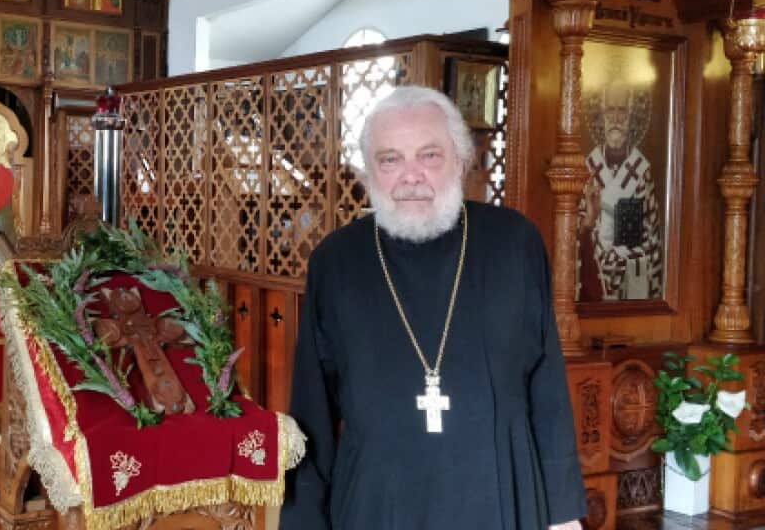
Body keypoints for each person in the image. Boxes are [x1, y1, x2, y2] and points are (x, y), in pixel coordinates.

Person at [281, 85, 584, 530]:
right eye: (390, 159)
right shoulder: (336, 261)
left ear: (461, 160)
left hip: (500, 491)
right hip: (376, 498)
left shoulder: (514, 242)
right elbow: (312, 407)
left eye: (429, 156)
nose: (410, 176)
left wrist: (563, 514)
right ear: (369, 171)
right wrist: (304, 521)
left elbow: (548, 383)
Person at [579, 79, 662, 301]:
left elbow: (651, 236)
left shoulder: (640, 170)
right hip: (594, 273)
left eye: (622, 110)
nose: (616, 118)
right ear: (602, 115)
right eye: (611, 110)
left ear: (631, 116)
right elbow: (577, 231)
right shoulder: (588, 168)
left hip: (630, 277)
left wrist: (625, 257)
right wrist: (589, 226)